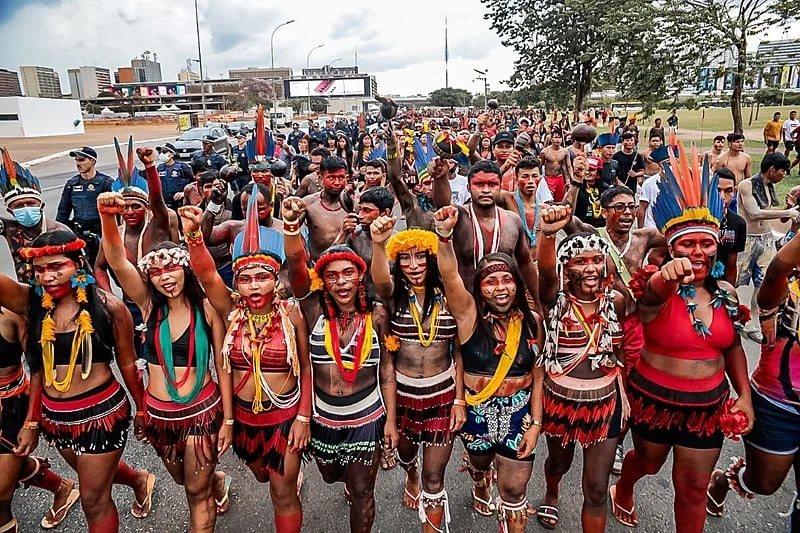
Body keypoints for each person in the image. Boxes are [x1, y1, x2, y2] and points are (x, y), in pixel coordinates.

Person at [610, 142, 755, 533]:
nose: (698, 251)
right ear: (672, 247)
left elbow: (734, 346)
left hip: (707, 406)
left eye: (705, 243)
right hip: (654, 400)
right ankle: (623, 487)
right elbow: (651, 298)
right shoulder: (658, 284)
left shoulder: (724, 291)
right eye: (687, 244)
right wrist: (666, 274)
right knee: (648, 463)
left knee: (691, 489)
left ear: (716, 246)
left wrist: (743, 394)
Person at [0, 229, 154, 533]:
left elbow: (126, 363)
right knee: (90, 475)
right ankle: (138, 479)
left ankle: (134, 482)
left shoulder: (109, 307)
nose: (49, 277)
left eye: (58, 267)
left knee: (93, 499)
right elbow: (38, 371)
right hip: (55, 419)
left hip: (101, 415)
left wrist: (142, 408)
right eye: (40, 270)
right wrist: (32, 423)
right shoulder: (32, 303)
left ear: (78, 261)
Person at [98, 186, 233, 531]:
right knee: (179, 477)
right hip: (160, 415)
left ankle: (207, 487)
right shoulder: (147, 305)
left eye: (172, 268)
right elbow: (115, 257)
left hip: (201, 414)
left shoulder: (206, 309)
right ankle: (216, 480)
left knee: (193, 492)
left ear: (185, 270)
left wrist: (228, 421)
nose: (165, 277)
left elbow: (221, 365)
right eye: (156, 273)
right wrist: (107, 217)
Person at [180, 190, 311, 533]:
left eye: (262, 277)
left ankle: (290, 482)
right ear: (236, 282)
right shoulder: (232, 311)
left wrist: (303, 417)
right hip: (244, 419)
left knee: (282, 495)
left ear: (275, 278)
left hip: (285, 419)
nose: (254, 286)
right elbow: (208, 276)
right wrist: (194, 236)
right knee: (261, 474)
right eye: (246, 278)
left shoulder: (292, 314)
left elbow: (307, 367)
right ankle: (282, 476)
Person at [282, 197, 398, 533]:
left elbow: (387, 371)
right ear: (323, 282)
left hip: (367, 417)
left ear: (360, 277)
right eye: (332, 276)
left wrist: (390, 420)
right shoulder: (313, 309)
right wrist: (291, 226)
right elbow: (294, 262)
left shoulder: (375, 314)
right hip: (325, 419)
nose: (342, 282)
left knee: (363, 491)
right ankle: (345, 478)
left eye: (349, 273)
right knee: (331, 474)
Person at [433, 204, 543, 533]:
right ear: (479, 289)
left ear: (517, 284)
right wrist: (444, 236)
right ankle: (480, 477)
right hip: (477, 413)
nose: (499, 288)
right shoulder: (469, 317)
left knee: (514, 491)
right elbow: (451, 276)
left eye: (506, 279)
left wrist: (536, 423)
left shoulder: (533, 322)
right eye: (490, 281)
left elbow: (539, 376)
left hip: (519, 414)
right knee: (480, 463)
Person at [535, 204, 627, 532]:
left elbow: (622, 353)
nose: (590, 268)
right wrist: (548, 234)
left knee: (598, 488)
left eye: (595, 260)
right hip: (560, 400)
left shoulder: (616, 300)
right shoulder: (553, 299)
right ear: (566, 268)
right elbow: (545, 273)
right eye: (580, 261)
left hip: (605, 403)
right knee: (560, 463)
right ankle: (552, 491)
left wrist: (625, 398)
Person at [370, 219, 466, 533]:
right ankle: (409, 474)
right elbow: (381, 281)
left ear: (432, 258)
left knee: (435, 479)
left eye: (420, 257)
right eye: (405, 258)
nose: (413, 265)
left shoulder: (450, 296)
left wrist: (460, 400)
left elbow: (460, 352)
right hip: (404, 397)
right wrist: (378, 244)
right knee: (406, 455)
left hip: (443, 396)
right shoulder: (393, 299)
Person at [706, 228, 800, 530]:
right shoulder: (787, 294)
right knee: (764, 483)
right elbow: (776, 271)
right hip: (779, 404)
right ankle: (723, 480)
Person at [0, 305, 81, 531]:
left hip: (11, 407)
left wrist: (32, 421)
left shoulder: (11, 315)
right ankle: (61, 487)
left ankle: (136, 479)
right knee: (9, 467)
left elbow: (40, 368)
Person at [431, 159, 540, 299]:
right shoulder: (458, 217)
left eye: (492, 184)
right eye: (479, 184)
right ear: (468, 188)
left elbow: (526, 263)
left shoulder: (513, 221)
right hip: (465, 307)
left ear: (500, 187)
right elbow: (443, 204)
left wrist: (537, 301)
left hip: (503, 304)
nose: (486, 190)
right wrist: (440, 177)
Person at [736, 152, 799, 342]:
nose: (783, 175)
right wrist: (788, 211)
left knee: (762, 283)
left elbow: (778, 217)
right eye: (782, 171)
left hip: (766, 239)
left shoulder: (770, 186)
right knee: (737, 282)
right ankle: (735, 317)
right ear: (772, 169)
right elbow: (754, 213)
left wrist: (787, 210)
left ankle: (755, 322)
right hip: (746, 239)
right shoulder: (747, 185)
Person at [0, 149, 69, 283]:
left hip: (59, 293)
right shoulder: (9, 229)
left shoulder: (60, 232)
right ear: (10, 211)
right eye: (19, 206)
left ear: (41, 206)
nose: (26, 208)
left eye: (31, 203)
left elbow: (83, 271)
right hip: (26, 295)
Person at [56, 146, 114, 267]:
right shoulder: (71, 184)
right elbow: (63, 211)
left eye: (82, 160)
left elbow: (118, 212)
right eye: (76, 160)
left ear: (92, 161)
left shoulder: (106, 182)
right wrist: (58, 234)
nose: (78, 163)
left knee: (116, 270)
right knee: (87, 271)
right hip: (81, 236)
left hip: (104, 234)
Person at [300, 156, 350, 262]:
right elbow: (289, 231)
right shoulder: (308, 204)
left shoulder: (355, 204)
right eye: (331, 178)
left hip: (349, 266)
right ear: (320, 178)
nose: (337, 183)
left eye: (341, 178)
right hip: (317, 266)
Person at [715, 168, 747, 286]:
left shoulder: (738, 224)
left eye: (728, 191)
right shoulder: (695, 219)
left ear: (734, 191)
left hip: (719, 286)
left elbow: (731, 265)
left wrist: (730, 295)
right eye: (717, 190)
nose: (722, 196)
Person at [156, 143, 194, 210]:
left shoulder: (183, 167)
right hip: (164, 202)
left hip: (179, 202)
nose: (161, 154)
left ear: (172, 154)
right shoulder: (159, 168)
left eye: (164, 152)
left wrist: (183, 193)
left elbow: (194, 182)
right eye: (160, 152)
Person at [539, 129, 573, 202]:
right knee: (548, 200)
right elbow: (540, 166)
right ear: (551, 139)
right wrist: (540, 179)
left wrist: (570, 179)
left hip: (560, 179)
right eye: (555, 137)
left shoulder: (565, 152)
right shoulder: (544, 152)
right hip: (549, 178)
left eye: (559, 137)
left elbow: (568, 167)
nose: (557, 140)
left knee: (560, 201)